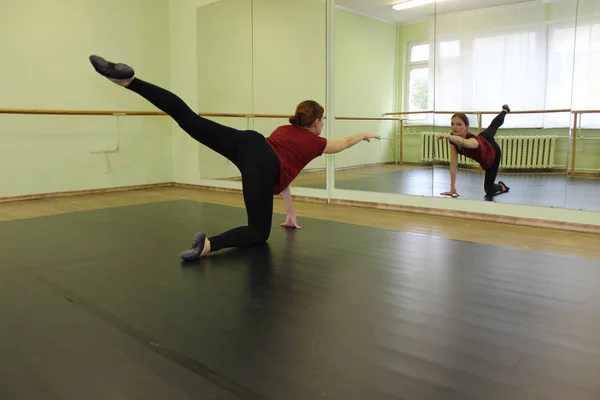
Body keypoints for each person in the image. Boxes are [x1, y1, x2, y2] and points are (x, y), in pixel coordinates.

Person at [88, 55, 380, 261]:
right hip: (262, 165)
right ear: (316, 122)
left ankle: (131, 82)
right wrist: (364, 134)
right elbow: (342, 143)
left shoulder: (285, 129)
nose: (324, 124)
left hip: (250, 143)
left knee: (186, 116)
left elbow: (285, 171)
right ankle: (209, 245)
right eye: (324, 119)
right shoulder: (315, 142)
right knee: (258, 232)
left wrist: (290, 213)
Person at [437, 105, 511, 198]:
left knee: (489, 190)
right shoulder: (453, 140)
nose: (455, 127)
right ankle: (505, 111)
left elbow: (463, 142)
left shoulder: (473, 141)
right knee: (492, 128)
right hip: (483, 138)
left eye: (459, 124)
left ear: (466, 127)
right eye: (452, 124)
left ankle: (501, 187)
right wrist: (452, 187)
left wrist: (447, 136)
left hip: (492, 153)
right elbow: (453, 163)